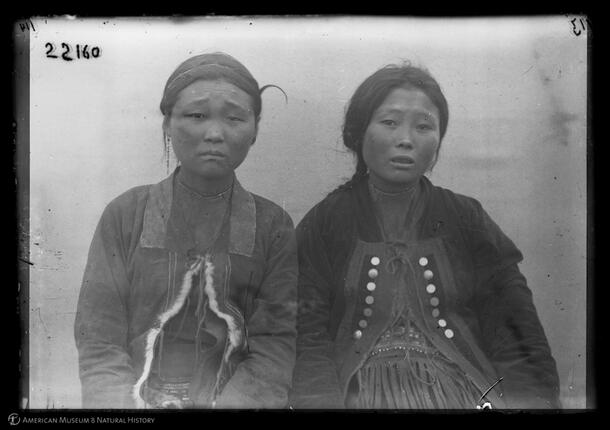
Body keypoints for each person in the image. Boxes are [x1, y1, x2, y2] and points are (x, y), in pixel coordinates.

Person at [290, 63, 560, 409]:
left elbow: (516, 331)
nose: (406, 139)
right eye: (389, 122)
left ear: (438, 140)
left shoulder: (465, 217)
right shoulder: (326, 222)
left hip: (469, 393)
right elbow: (307, 339)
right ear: (359, 132)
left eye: (423, 126)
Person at [74, 52, 297, 409]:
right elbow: (99, 342)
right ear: (167, 124)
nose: (214, 133)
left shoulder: (273, 225)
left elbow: (275, 349)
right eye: (196, 115)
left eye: (235, 117)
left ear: (255, 129)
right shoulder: (126, 215)